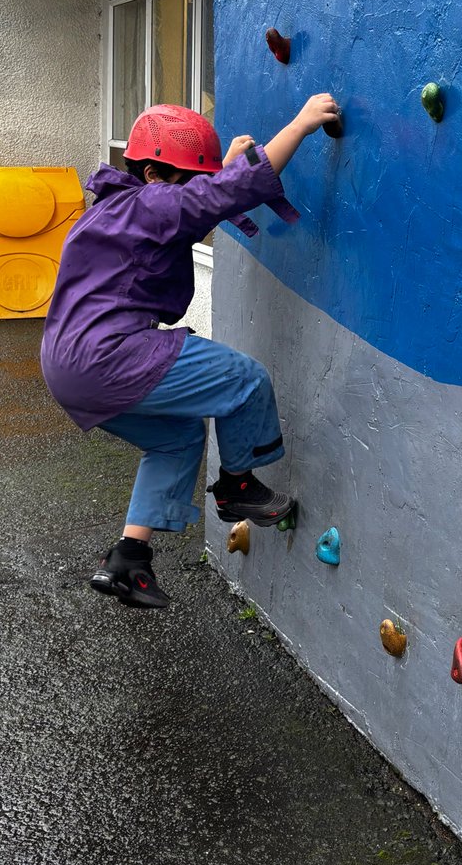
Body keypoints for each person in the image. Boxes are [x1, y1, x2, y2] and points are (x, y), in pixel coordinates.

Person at [40, 94, 341, 609]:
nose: (195, 189)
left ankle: (127, 560)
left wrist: (217, 173)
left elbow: (192, 213)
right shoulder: (150, 201)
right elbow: (223, 195)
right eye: (189, 178)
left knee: (178, 439)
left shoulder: (114, 211)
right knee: (243, 379)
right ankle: (237, 485)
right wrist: (300, 123)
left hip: (64, 366)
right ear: (155, 173)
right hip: (110, 354)